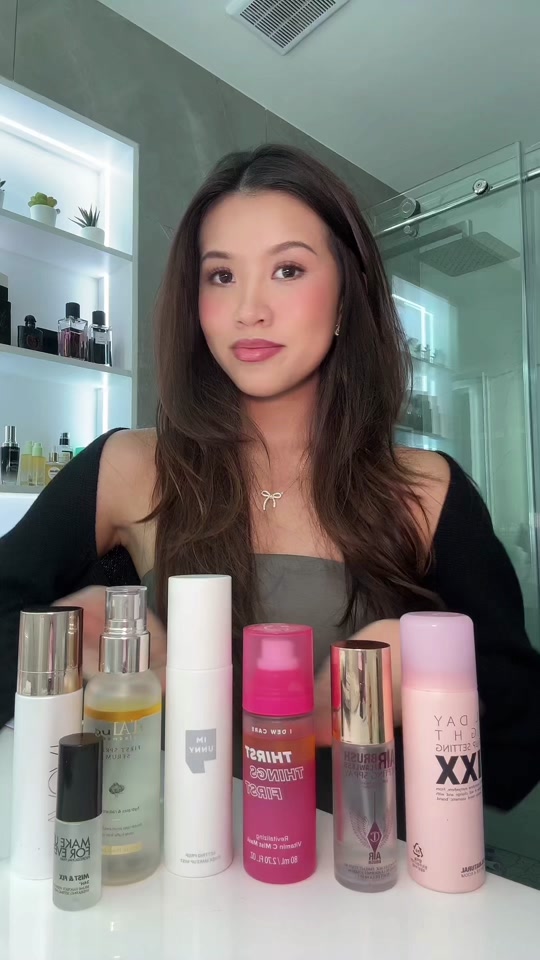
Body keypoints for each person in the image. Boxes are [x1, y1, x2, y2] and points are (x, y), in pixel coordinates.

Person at [1, 144, 539, 829]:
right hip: (174, 866)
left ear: (347, 294)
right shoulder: (130, 467)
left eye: (288, 269)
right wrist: (64, 642)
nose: (248, 309)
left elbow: (521, 748)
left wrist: (437, 679)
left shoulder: (426, 492)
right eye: (221, 276)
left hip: (367, 872)